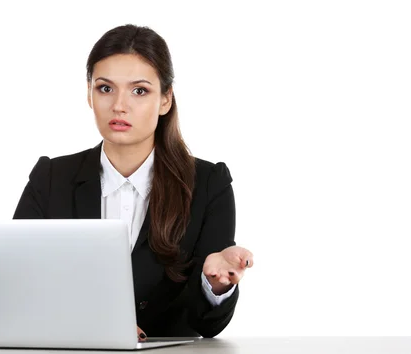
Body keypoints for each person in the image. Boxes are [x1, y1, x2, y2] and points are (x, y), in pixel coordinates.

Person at [13, 24, 254, 340]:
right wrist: (90, 324)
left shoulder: (209, 184)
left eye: (139, 90)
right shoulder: (50, 179)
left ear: (165, 100)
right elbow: (17, 286)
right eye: (105, 88)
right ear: (89, 94)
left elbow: (207, 325)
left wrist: (216, 283)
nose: (119, 106)